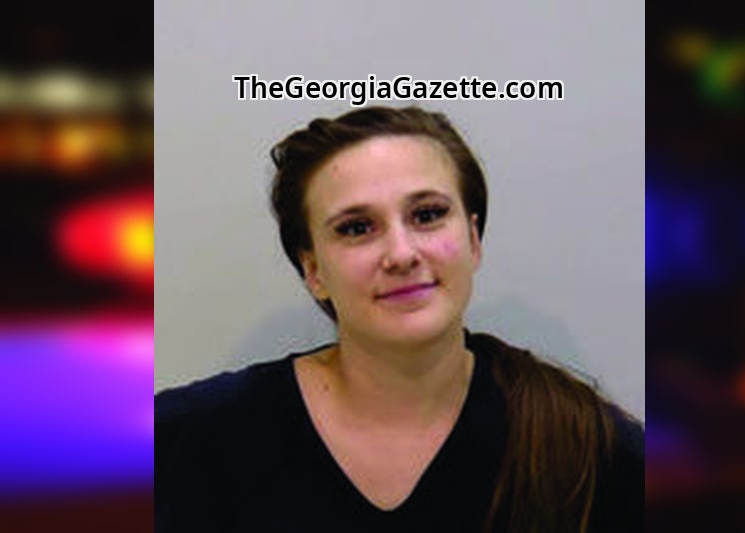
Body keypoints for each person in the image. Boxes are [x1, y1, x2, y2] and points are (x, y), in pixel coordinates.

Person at [155, 106, 643, 532]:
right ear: (313, 270)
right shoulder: (185, 443)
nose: (402, 254)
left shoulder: (589, 450)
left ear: (473, 240)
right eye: (357, 228)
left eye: (427, 215)